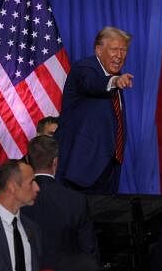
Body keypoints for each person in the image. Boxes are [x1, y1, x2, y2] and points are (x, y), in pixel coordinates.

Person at [56, 27, 134, 195]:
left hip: (108, 170)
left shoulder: (117, 77)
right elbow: (92, 84)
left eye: (123, 50)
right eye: (114, 49)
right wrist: (114, 81)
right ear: (98, 50)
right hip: (80, 172)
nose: (119, 55)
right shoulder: (85, 69)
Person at [23, 135, 98, 270]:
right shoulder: (76, 200)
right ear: (55, 162)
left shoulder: (16, 198)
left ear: (28, 160)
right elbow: (88, 252)